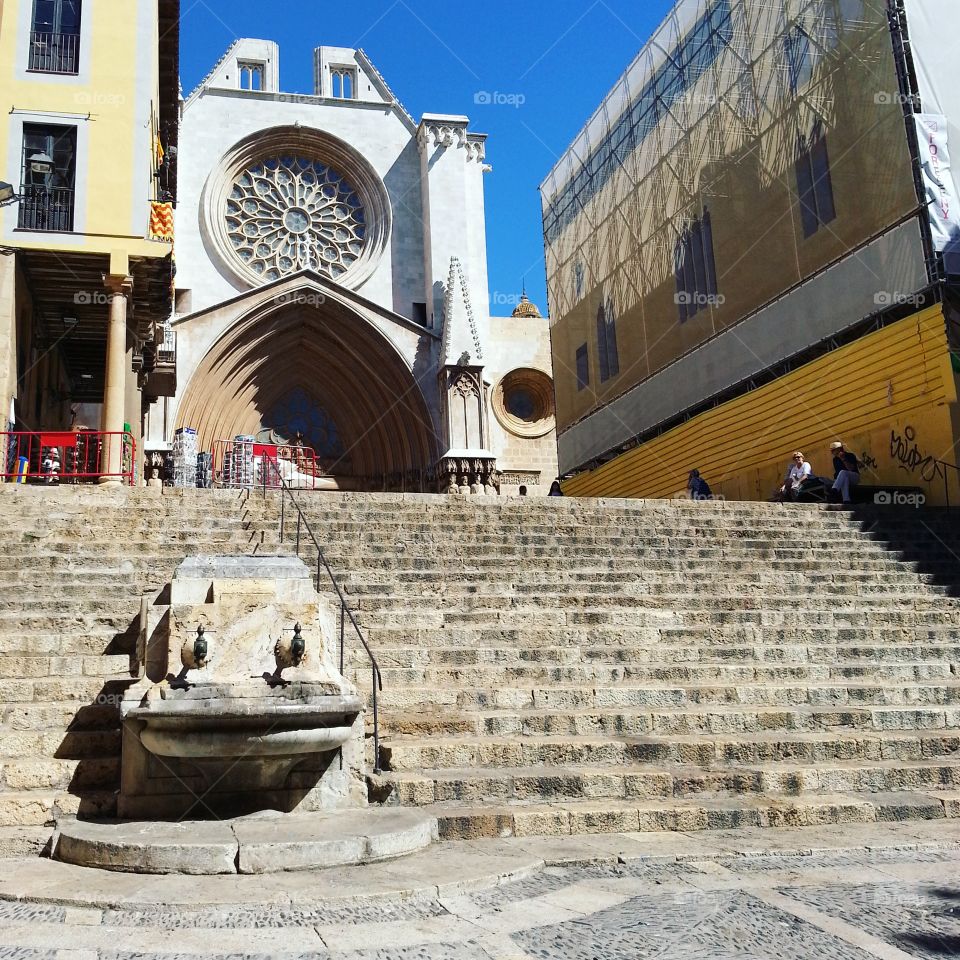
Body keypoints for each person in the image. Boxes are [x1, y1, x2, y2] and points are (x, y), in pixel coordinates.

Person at [830, 441, 860, 505]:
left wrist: (843, 459)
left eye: (833, 450)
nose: (832, 452)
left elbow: (851, 469)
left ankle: (834, 489)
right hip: (844, 478)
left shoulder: (850, 455)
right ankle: (846, 500)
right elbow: (838, 472)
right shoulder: (835, 459)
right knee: (844, 477)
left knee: (843, 473)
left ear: (839, 449)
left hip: (854, 477)